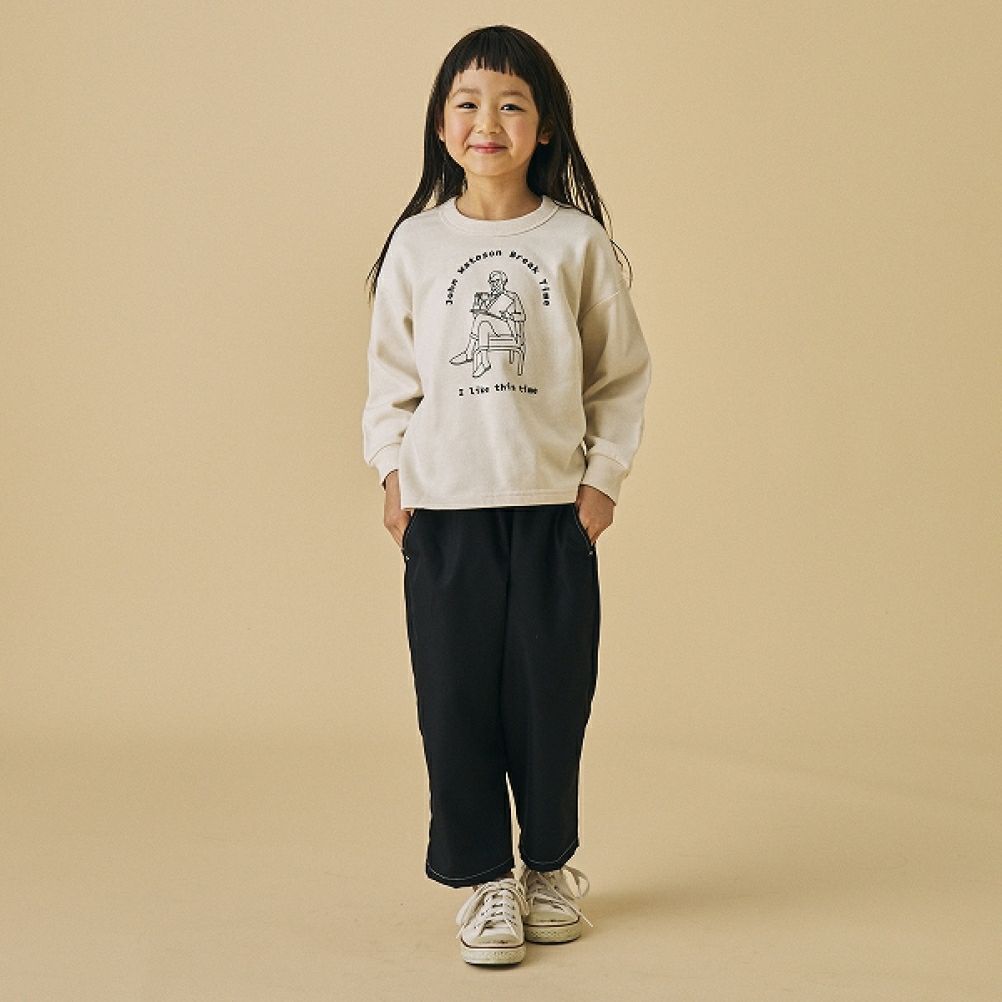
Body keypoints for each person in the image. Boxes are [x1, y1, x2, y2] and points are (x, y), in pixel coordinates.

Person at [361, 24, 652, 966]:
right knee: (454, 702)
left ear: (545, 127)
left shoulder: (575, 243)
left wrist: (601, 483)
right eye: (468, 103)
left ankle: (548, 868)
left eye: (512, 104)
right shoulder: (416, 245)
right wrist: (393, 476)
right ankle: (484, 880)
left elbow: (621, 375)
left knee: (552, 699)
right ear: (441, 124)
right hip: (445, 515)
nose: (488, 121)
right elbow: (389, 379)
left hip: (552, 515)